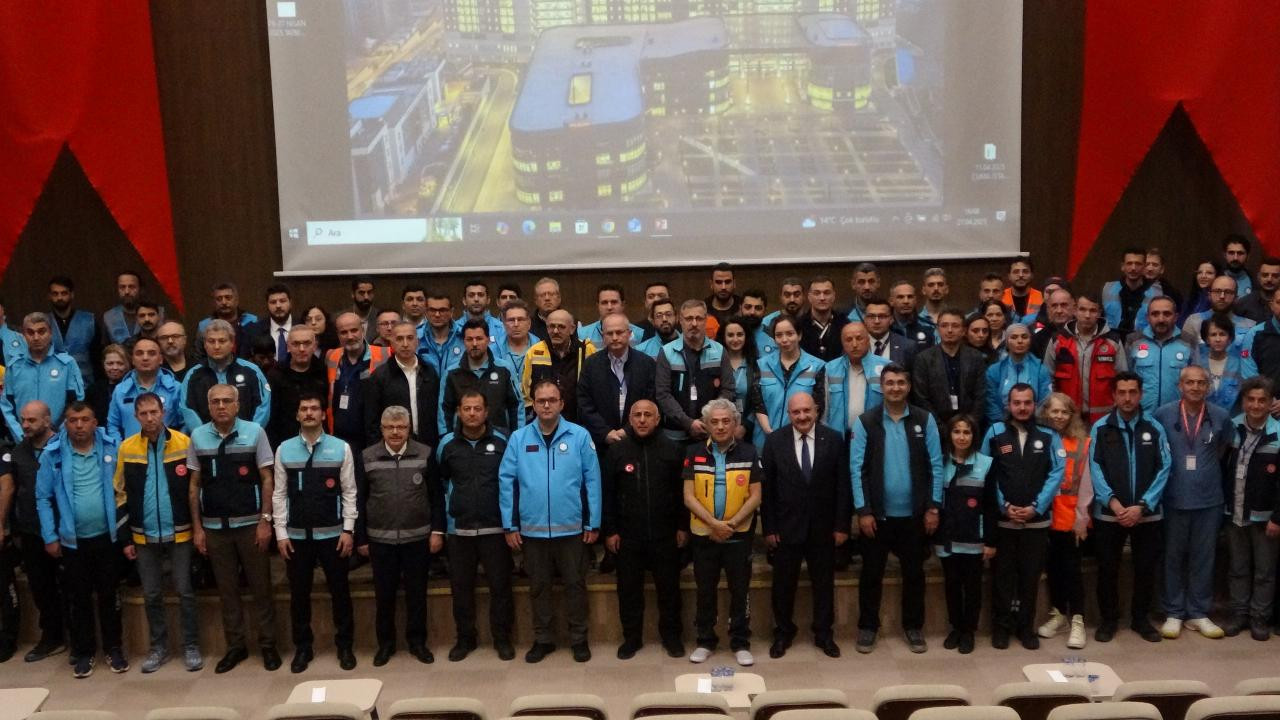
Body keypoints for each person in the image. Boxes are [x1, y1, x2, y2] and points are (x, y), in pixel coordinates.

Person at [499, 379, 601, 664]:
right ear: (533, 404)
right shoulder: (519, 439)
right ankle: (543, 639)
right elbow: (507, 483)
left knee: (575, 585)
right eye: (541, 400)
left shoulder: (579, 436)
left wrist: (593, 522)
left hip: (572, 529)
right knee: (539, 587)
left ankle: (579, 639)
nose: (546, 405)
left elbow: (593, 482)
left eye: (552, 400)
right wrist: (510, 525)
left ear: (561, 404)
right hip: (532, 531)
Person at [187, 383, 280, 673]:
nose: (221, 406)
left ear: (238, 405)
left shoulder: (255, 432)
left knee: (261, 589)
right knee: (227, 592)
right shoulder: (198, 436)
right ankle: (236, 646)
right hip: (215, 529)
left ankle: (268, 645)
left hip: (251, 526)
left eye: (227, 401)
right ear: (208, 406)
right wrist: (197, 528)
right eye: (215, 401)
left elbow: (267, 478)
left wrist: (266, 521)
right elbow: (194, 485)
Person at [850, 363, 942, 654]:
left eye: (901, 383)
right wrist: (863, 510)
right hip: (877, 516)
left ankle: (913, 627)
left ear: (909, 386)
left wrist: (933, 507)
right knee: (871, 574)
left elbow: (936, 466)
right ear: (881, 387)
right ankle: (868, 627)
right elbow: (857, 469)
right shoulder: (866, 422)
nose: (895, 388)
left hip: (914, 515)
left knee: (914, 574)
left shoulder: (924, 420)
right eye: (890, 383)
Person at [34, 402, 129, 678]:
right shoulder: (52, 454)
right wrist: (50, 536)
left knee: (110, 595)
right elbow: (43, 498)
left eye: (85, 419)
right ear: (65, 423)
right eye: (73, 420)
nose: (79, 425)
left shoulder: (112, 447)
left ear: (95, 422)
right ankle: (84, 652)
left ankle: (114, 649)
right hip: (72, 542)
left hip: (108, 538)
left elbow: (124, 489)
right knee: (79, 599)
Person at [112, 393, 201, 672]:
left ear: (163, 412)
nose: (150, 418)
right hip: (143, 534)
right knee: (151, 594)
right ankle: (158, 647)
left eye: (154, 412)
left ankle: (191, 645)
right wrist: (125, 537)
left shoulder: (184, 443)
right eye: (144, 414)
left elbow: (195, 488)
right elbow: (120, 493)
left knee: (185, 591)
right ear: (136, 417)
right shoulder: (127, 448)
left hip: (181, 531)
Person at [272, 391, 358, 673]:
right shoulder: (284, 449)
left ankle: (345, 646)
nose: (309, 413)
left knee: (340, 593)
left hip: (334, 536)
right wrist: (281, 533)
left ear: (323, 414)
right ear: (297, 415)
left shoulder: (341, 448)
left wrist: (348, 530)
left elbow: (349, 492)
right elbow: (279, 494)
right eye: (304, 409)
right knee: (299, 596)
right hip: (296, 538)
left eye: (314, 408)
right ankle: (303, 648)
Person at [761, 393, 849, 659]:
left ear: (816, 411)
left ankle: (824, 634)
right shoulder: (774, 441)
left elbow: (842, 486)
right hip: (786, 528)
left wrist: (841, 525)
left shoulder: (834, 439)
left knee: (823, 585)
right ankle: (783, 633)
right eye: (796, 412)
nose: (802, 416)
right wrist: (769, 528)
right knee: (782, 586)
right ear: (789, 414)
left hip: (824, 528)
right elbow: (767, 489)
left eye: (806, 411)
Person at [1089, 371, 1172, 642]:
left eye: (1132, 392)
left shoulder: (1154, 427)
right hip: (1109, 515)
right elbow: (1095, 468)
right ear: (1113, 395)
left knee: (1145, 570)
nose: (1127, 398)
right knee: (1107, 570)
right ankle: (1108, 620)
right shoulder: (1100, 428)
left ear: (1141, 394)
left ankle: (1140, 620)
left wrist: (1142, 506)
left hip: (1146, 515)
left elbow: (1164, 467)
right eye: (1122, 393)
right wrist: (1113, 503)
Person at [356, 405, 443, 666]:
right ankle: (386, 644)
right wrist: (361, 538)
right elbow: (359, 499)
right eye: (390, 427)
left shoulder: (425, 454)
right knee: (384, 597)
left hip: (418, 538)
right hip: (380, 540)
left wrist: (437, 531)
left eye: (401, 427)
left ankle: (418, 643)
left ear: (409, 428)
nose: (395, 432)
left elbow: (436, 496)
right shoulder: (367, 456)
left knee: (417, 595)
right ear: (382, 429)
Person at [980, 384, 1064, 650]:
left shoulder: (1049, 435)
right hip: (1004, 521)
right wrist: (1003, 505)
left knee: (1030, 578)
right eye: (1017, 402)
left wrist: (1037, 506)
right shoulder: (995, 432)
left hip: (1036, 521)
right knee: (1003, 578)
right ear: (1008, 404)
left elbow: (1057, 472)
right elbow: (985, 472)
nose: (1022, 407)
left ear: (1034, 404)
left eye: (1027, 402)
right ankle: (1001, 628)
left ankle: (1025, 628)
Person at [603, 399, 686, 660]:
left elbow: (682, 493)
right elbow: (608, 494)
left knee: (669, 590)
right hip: (628, 536)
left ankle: (672, 637)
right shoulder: (617, 451)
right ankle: (632, 638)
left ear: (657, 419)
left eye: (647, 415)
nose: (641, 419)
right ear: (629, 419)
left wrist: (682, 527)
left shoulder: (672, 449)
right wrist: (610, 530)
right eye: (637, 415)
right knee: (628, 591)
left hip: (665, 534)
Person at [1153, 365, 1232, 639]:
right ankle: (1174, 612)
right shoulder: (1163, 414)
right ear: (1180, 386)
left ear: (1207, 387)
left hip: (1209, 499)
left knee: (1204, 558)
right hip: (1173, 497)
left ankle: (1198, 612)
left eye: (1201, 383)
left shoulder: (1220, 416)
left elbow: (1222, 449)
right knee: (1173, 556)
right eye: (1190, 382)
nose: (1195, 387)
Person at [437, 390, 515, 662]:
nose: (472, 413)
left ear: (486, 411)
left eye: (477, 408)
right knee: (461, 589)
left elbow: (511, 481)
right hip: (460, 529)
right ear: (459, 412)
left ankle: (502, 639)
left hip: (496, 529)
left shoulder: (503, 440)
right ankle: (465, 639)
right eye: (467, 408)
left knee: (501, 588)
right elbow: (441, 483)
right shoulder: (447, 444)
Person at [683, 398, 762, 666]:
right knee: (705, 588)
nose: (720, 426)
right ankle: (705, 640)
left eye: (726, 421)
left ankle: (740, 641)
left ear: (735, 423)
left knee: (740, 589)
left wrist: (730, 525)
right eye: (714, 422)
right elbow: (689, 496)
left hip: (738, 534)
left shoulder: (749, 452)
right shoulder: (693, 452)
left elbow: (755, 496)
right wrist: (714, 525)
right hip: (704, 534)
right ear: (705, 425)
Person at [0, 401, 66, 662]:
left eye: (32, 420)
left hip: (63, 529)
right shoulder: (18, 452)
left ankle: (79, 639)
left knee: (70, 587)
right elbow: (13, 491)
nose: (25, 425)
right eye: (23, 420)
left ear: (47, 420)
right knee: (41, 588)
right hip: (30, 531)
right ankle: (51, 637)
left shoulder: (64, 446)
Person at [1221, 376, 1280, 640]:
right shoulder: (1231, 428)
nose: (1256, 405)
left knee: (1265, 572)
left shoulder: (1278, 433)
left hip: (1266, 517)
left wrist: (1278, 517)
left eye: (1262, 400)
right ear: (1243, 401)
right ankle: (1239, 615)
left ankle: (1260, 618)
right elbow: (1221, 467)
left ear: (1270, 403)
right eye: (1251, 400)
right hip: (1234, 512)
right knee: (1237, 568)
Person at [1035, 393, 1093, 650]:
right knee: (1053, 569)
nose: (1058, 416)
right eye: (1054, 411)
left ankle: (1078, 619)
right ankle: (1058, 614)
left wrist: (1082, 517)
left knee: (1072, 570)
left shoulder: (1082, 443)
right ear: (1045, 413)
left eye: (1064, 412)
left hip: (1071, 518)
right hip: (1044, 516)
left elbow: (1087, 484)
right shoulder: (1039, 439)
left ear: (1072, 415)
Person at [934, 414, 995, 655]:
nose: (961, 437)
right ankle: (956, 628)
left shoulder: (986, 464)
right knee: (951, 585)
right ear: (949, 435)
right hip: (946, 537)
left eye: (966, 432)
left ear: (974, 435)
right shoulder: (940, 462)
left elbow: (990, 506)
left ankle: (969, 630)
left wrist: (990, 541)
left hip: (974, 539)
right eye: (957, 431)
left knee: (972, 587)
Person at [656, 300, 735, 444]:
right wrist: (688, 423)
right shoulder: (667, 352)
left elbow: (728, 389)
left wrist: (708, 419)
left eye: (699, 318)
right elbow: (663, 394)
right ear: (680, 321)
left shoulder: (719, 351)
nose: (694, 323)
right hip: (675, 435)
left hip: (710, 432)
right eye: (689, 319)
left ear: (705, 320)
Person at [577, 314, 656, 452]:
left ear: (629, 334)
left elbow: (652, 400)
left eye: (619, 332)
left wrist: (627, 431)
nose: (614, 337)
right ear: (603, 336)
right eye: (609, 333)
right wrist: (605, 432)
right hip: (601, 442)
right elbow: (584, 403)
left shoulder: (646, 363)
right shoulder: (591, 364)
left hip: (638, 441)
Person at [1045, 292, 1126, 424]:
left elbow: (1122, 380)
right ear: (1075, 310)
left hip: (1104, 418)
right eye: (1082, 309)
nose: (1087, 315)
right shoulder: (1058, 340)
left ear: (1099, 313)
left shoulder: (1113, 341)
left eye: (1092, 310)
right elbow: (1047, 380)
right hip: (1067, 417)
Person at [2, 313, 85, 440]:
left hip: (59, 438)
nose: (36, 337)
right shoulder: (14, 366)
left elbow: (76, 402)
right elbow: (6, 405)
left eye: (41, 332)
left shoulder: (67, 364)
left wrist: (56, 436)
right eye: (30, 332)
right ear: (23, 336)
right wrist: (20, 436)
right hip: (23, 439)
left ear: (50, 333)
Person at [179, 319, 271, 433]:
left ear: (232, 343)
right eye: (211, 341)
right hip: (205, 441)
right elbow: (188, 410)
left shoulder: (251, 371)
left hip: (247, 439)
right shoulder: (193, 375)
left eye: (222, 341)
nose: (216, 346)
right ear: (205, 345)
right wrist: (204, 437)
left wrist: (249, 435)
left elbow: (263, 407)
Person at [751, 315, 823, 447]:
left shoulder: (817, 366)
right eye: (779, 335)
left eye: (790, 334)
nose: (784, 340)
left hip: (800, 441)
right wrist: (770, 433)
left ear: (799, 335)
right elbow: (758, 404)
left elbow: (818, 407)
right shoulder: (762, 365)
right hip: (766, 439)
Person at [366, 320, 440, 448]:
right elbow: (371, 420)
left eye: (410, 338)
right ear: (391, 343)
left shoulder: (429, 371)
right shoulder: (379, 376)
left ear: (417, 341)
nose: (405, 344)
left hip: (427, 445)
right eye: (399, 339)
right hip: (393, 446)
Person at [442, 319, 521, 436]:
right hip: (461, 441)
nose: (474, 344)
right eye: (469, 339)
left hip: (499, 439)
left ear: (488, 340)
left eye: (479, 338)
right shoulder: (451, 373)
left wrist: (518, 438)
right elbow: (444, 410)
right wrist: (446, 438)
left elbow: (516, 406)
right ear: (463, 342)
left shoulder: (505, 369)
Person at [911, 309, 987, 425]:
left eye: (955, 326)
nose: (950, 330)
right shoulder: (924, 359)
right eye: (944, 325)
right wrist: (939, 427)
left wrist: (969, 425)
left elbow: (980, 396)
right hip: (934, 425)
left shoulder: (975, 357)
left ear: (963, 331)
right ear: (937, 329)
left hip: (969, 425)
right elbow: (921, 398)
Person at [816, 322, 889, 440]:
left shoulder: (886, 368)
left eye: (859, 338)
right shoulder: (830, 368)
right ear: (842, 343)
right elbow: (825, 410)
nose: (854, 344)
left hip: (875, 437)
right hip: (839, 438)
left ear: (868, 340)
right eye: (848, 340)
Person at [522, 309, 596, 423]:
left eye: (561, 327)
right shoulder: (534, 352)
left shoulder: (586, 350)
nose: (555, 331)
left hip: (579, 421)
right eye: (551, 326)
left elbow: (594, 390)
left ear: (572, 329)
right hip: (544, 421)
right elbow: (526, 394)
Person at [107, 337, 182, 440]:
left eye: (151, 353)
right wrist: (120, 447)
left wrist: (177, 444)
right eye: (139, 353)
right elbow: (112, 425)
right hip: (131, 449)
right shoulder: (120, 391)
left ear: (161, 359)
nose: (145, 358)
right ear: (132, 360)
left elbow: (184, 423)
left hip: (168, 449)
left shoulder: (176, 389)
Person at [1127, 296, 1192, 413]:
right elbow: (1125, 379)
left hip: (1177, 416)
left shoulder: (1188, 342)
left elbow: (1195, 380)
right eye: (1155, 314)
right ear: (1147, 317)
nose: (1161, 319)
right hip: (1142, 415)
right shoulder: (1133, 341)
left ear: (1176, 317)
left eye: (1167, 314)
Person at [267, 326, 328, 447]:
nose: (301, 349)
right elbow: (272, 418)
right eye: (296, 344)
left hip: (320, 443)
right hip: (285, 444)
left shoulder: (324, 372)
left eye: (307, 343)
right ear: (288, 347)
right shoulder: (275, 375)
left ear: (315, 346)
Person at [984, 323, 1052, 425]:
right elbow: (991, 402)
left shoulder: (1041, 370)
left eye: (1024, 337)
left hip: (1034, 425)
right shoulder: (994, 371)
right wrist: (1001, 426)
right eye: (1014, 337)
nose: (1020, 341)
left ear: (1030, 341)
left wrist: (1034, 425)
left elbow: (1045, 401)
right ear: (1007, 342)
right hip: (1002, 425)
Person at [47, 276, 100, 385]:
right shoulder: (43, 323)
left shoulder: (89, 321)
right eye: (55, 294)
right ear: (50, 296)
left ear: (72, 295)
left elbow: (97, 356)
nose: (59, 297)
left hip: (85, 383)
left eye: (64, 293)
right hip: (52, 382)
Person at [1181, 275, 1255, 349]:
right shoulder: (1194, 321)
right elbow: (1183, 352)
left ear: (1236, 298)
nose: (1222, 296)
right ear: (1209, 295)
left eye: (1228, 292)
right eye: (1217, 291)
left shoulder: (1249, 326)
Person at [718, 317, 759, 441]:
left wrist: (745, 426)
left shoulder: (756, 365)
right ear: (723, 337)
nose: (735, 339)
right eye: (730, 335)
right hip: (718, 427)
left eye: (740, 334)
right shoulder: (714, 363)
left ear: (746, 336)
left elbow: (760, 401)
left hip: (746, 431)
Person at [196, 283, 258, 361]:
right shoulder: (204, 326)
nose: (224, 302)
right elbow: (199, 356)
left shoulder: (252, 321)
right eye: (219, 299)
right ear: (214, 303)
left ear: (237, 300)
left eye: (228, 298)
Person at [496, 300, 538, 413]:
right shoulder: (492, 350)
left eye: (520, 319)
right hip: (504, 410)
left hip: (534, 410)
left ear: (529, 323)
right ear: (504, 323)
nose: (516, 324)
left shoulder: (541, 348)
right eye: (511, 320)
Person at [1102, 248, 1158, 334]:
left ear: (1144, 267)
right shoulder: (1107, 289)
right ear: (1122, 266)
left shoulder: (1156, 294)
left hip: (1142, 339)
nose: (1133, 268)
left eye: (1138, 264)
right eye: (1129, 263)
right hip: (1111, 339)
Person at [1197, 314, 1243, 412]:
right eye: (1213, 335)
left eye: (1222, 334)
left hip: (1231, 418)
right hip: (1202, 417)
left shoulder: (1239, 365)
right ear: (1206, 339)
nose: (1218, 339)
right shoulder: (1197, 365)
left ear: (1229, 339)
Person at [798, 276, 848, 361]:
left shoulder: (845, 324)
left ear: (834, 296)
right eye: (817, 293)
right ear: (809, 297)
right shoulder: (798, 325)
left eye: (827, 293)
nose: (822, 298)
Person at [578, 284, 645, 348]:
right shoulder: (582, 334)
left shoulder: (639, 335)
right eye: (604, 303)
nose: (609, 307)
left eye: (614, 302)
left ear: (623, 305)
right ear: (598, 306)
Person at [863, 298, 917, 371]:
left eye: (882, 316)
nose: (876, 321)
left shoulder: (907, 346)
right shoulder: (855, 344)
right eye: (871, 316)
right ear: (865, 319)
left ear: (891, 319)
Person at [419, 291, 463, 378]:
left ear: (451, 312)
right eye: (432, 310)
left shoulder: (464, 336)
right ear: (425, 312)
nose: (437, 315)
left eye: (442, 310)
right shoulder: (415, 337)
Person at [454, 279, 506, 348]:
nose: (476, 299)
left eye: (480, 295)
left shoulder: (501, 329)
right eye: (471, 295)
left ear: (488, 300)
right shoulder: (454, 329)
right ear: (464, 301)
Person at [256, 283, 297, 366]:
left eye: (282, 301)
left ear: (290, 303)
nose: (278, 306)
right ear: (267, 305)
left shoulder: (303, 326)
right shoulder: (255, 330)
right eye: (273, 302)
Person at [87, 343, 129, 424]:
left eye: (120, 363)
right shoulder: (93, 390)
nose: (115, 368)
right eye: (110, 363)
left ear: (127, 365)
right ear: (103, 365)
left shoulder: (134, 387)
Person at [100, 271, 145, 345]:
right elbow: (105, 348)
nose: (127, 291)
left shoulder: (156, 313)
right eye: (122, 287)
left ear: (140, 289)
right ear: (117, 290)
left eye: (131, 287)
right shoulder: (108, 317)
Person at [1031, 288, 1075, 360]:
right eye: (1054, 306)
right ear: (1048, 310)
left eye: (1064, 305)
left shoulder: (1084, 332)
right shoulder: (1038, 339)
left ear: (1074, 308)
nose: (1059, 311)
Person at [889, 281, 935, 349]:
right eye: (900, 297)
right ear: (891, 301)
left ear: (915, 300)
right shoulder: (885, 327)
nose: (906, 301)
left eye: (910, 297)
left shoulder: (927, 327)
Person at [1235, 256, 1280, 323]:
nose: (1269, 279)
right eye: (1265, 275)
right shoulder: (1244, 303)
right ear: (1258, 277)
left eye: (1275, 276)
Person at [1002, 258, 1043, 325]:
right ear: (1009, 276)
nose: (1021, 275)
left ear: (1032, 275)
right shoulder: (1001, 297)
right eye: (1016, 272)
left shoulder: (1041, 297)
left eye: (1025, 271)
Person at [706, 263, 742, 333]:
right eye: (718, 282)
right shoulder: (703, 310)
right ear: (711, 284)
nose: (723, 287)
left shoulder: (744, 307)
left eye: (727, 282)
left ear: (734, 283)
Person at [1223, 234, 1255, 299]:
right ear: (1224, 255)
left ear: (1248, 256)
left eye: (1240, 253)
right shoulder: (1215, 278)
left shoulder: (1255, 281)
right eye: (1231, 253)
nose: (1235, 258)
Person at [530, 276, 562, 342]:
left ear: (559, 298)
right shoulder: (528, 325)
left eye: (551, 294)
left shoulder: (572, 323)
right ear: (536, 300)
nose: (547, 298)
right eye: (542, 295)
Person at [348, 276, 378, 343]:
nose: (366, 297)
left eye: (369, 292)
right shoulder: (340, 318)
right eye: (361, 293)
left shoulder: (380, 317)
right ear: (353, 294)